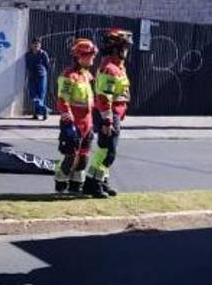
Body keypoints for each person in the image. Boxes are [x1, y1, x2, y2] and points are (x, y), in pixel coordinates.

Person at [85, 29, 133, 198]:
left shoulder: (119, 67)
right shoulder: (110, 69)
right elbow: (104, 97)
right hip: (109, 114)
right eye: (124, 47)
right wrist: (107, 121)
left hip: (115, 114)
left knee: (106, 151)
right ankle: (93, 183)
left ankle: (101, 181)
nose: (126, 51)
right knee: (106, 151)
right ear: (116, 48)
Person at [54, 37, 97, 195]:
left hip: (88, 123)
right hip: (73, 123)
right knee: (70, 157)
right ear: (80, 57)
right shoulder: (68, 76)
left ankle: (76, 184)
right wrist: (68, 123)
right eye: (90, 55)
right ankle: (60, 182)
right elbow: (62, 100)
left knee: (84, 157)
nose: (93, 58)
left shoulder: (87, 76)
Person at [24, 39, 52, 120]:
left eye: (38, 45)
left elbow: (47, 65)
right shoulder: (28, 55)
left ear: (40, 46)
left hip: (41, 76)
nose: (36, 47)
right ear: (31, 46)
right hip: (32, 76)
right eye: (35, 45)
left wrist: (43, 72)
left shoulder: (43, 54)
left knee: (41, 95)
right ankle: (44, 109)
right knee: (33, 94)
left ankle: (37, 114)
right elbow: (27, 64)